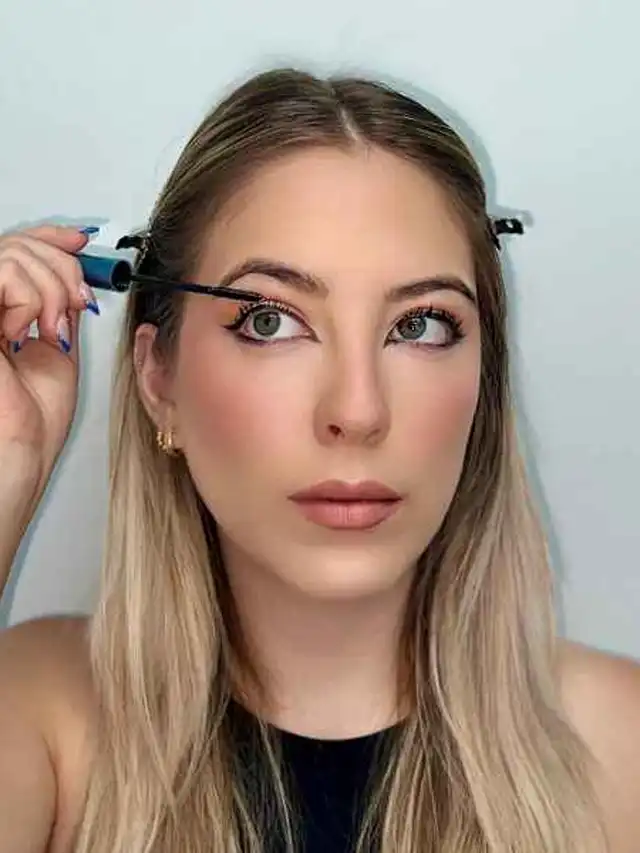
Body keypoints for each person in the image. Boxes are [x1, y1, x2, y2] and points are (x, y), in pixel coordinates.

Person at [0, 67, 638, 853]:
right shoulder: (37, 714)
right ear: (159, 378)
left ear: (484, 380)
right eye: (270, 322)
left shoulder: (623, 751)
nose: (358, 411)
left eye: (422, 326)